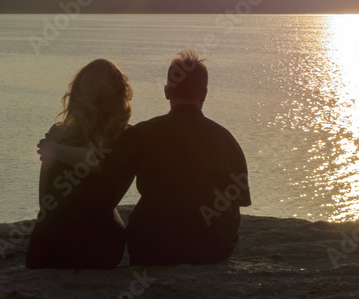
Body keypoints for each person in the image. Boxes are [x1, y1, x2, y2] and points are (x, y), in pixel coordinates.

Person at [39, 48, 251, 265]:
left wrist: (54, 147)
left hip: (156, 246)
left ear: (167, 91)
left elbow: (103, 164)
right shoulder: (228, 140)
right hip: (215, 248)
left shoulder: (143, 134)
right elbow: (239, 200)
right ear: (204, 94)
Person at [25, 58, 132, 269]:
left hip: (46, 249)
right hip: (99, 249)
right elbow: (100, 161)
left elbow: (44, 200)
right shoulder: (127, 138)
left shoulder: (58, 135)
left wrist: (54, 149)